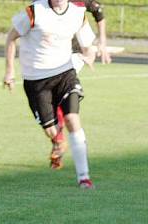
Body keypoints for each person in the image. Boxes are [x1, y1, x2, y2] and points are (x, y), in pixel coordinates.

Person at [4, 0, 96, 189]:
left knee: (73, 118)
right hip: (36, 79)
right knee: (52, 132)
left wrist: (89, 55)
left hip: (65, 73)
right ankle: (58, 139)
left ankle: (84, 177)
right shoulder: (35, 11)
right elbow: (11, 37)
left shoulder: (78, 13)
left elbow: (87, 44)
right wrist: (9, 71)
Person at [52, 0, 111, 159]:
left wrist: (102, 42)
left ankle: (59, 139)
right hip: (52, 53)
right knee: (51, 96)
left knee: (59, 93)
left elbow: (98, 11)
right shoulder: (42, 4)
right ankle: (58, 138)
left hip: (75, 53)